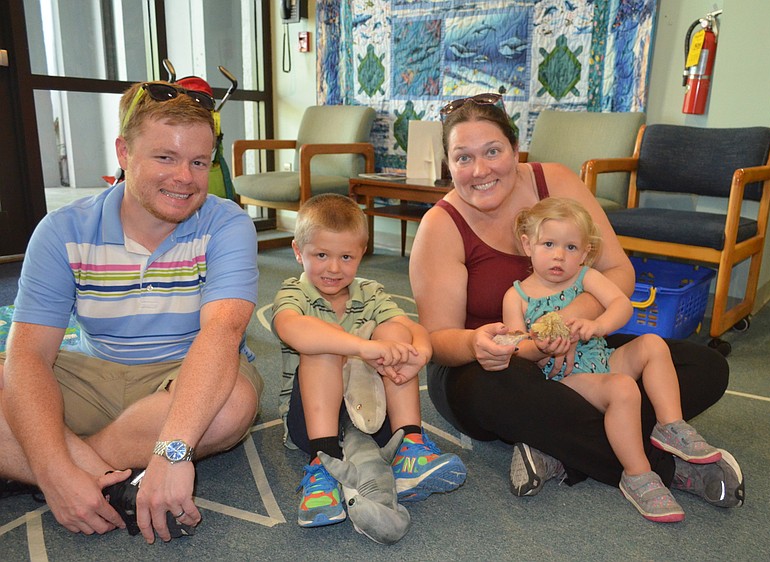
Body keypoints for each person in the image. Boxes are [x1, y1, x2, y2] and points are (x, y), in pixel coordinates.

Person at [409, 92, 744, 511]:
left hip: (582, 351)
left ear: (515, 149)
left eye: (492, 151)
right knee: (503, 387)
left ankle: (554, 448)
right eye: (463, 157)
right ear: (448, 164)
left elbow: (621, 273)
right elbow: (437, 341)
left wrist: (566, 323)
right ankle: (664, 469)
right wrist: (478, 345)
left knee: (703, 366)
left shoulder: (557, 183)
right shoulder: (441, 225)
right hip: (492, 369)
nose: (479, 170)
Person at [0, 80, 264, 544]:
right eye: (165, 157)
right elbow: (29, 355)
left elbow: (222, 334)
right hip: (92, 371)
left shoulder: (228, 223)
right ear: (124, 152)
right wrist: (52, 469)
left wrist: (172, 451)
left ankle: (61, 473)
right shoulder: (62, 230)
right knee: (12, 377)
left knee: (235, 404)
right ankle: (102, 481)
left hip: (186, 373)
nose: (185, 177)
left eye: (199, 162)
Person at [503, 197, 725, 522]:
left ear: (585, 252)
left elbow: (622, 305)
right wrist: (541, 344)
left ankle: (671, 427)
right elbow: (516, 346)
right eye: (548, 244)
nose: (558, 255)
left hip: (601, 357)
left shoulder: (585, 277)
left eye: (570, 247)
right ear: (528, 244)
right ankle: (637, 473)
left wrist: (597, 325)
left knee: (651, 343)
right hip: (564, 379)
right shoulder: (517, 296)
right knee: (622, 389)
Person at [271, 193, 466, 528]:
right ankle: (324, 467)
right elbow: (294, 329)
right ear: (298, 252)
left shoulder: (370, 292)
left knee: (394, 330)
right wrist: (361, 347)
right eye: (321, 255)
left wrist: (421, 352)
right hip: (314, 424)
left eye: (346, 256)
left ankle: (410, 448)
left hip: (372, 417)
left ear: (361, 254)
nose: (334, 268)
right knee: (323, 343)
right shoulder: (293, 293)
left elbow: (412, 327)